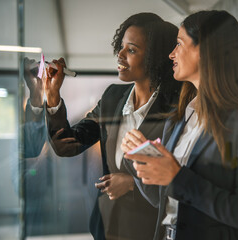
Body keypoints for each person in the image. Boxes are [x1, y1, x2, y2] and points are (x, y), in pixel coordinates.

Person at [122, 10, 238, 240]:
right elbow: (160, 198)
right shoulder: (178, 120)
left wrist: (177, 177)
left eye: (179, 44)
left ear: (205, 51)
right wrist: (142, 159)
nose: (171, 54)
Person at [44, 13, 181, 240]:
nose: (120, 54)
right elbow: (67, 146)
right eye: (121, 46)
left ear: (155, 58)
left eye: (132, 49)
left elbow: (181, 180)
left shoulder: (176, 108)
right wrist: (52, 98)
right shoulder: (112, 98)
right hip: (106, 227)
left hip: (150, 229)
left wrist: (132, 185)